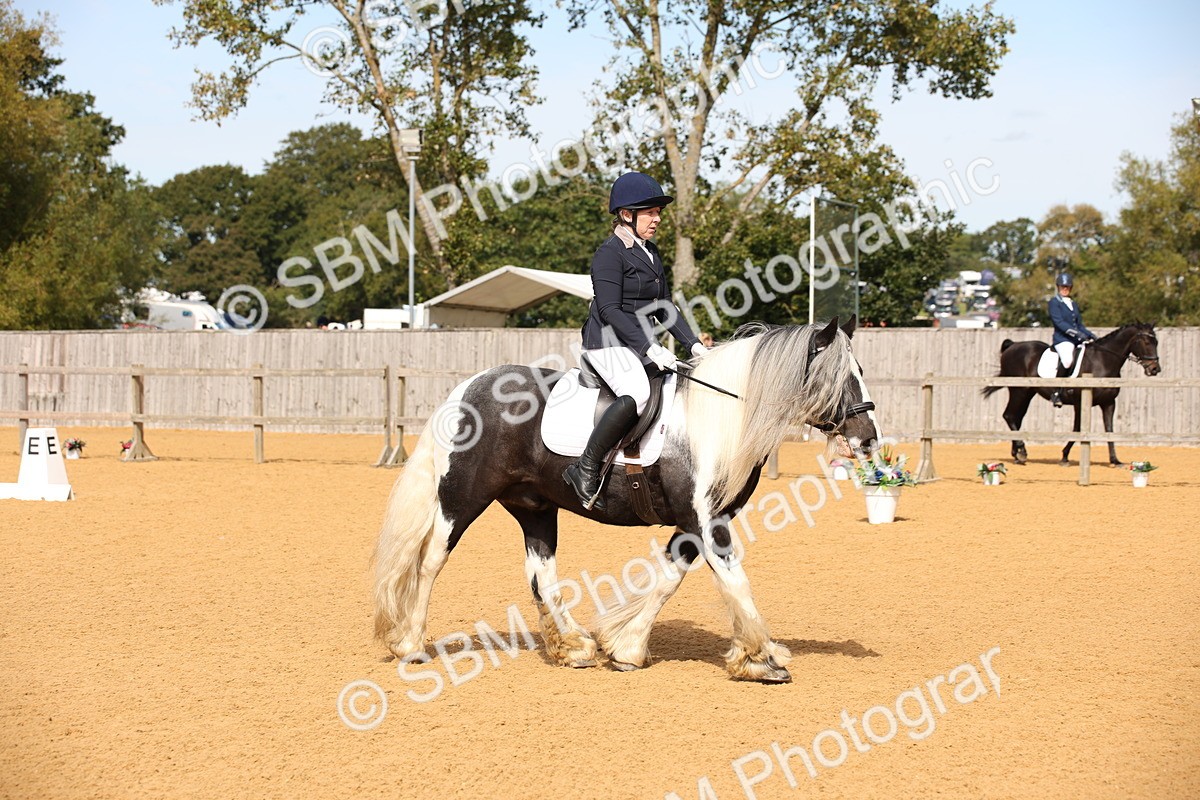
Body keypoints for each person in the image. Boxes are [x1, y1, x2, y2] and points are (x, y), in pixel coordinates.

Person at [563, 172, 707, 510]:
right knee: (638, 393)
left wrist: (694, 345)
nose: (657, 219)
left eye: (659, 212)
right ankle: (584, 468)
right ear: (627, 214)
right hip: (607, 343)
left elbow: (664, 306)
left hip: (637, 343)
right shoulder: (608, 255)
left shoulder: (651, 252)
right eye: (650, 212)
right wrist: (650, 347)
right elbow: (611, 310)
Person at [1047, 272, 1096, 408]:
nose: (1065, 289)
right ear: (1058, 287)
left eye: (1067, 287)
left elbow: (1079, 325)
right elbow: (1059, 323)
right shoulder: (1054, 303)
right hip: (1063, 340)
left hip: (1075, 340)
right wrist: (1077, 334)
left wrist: (1090, 335)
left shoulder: (1072, 304)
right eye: (1063, 286)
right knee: (1068, 361)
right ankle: (1056, 391)